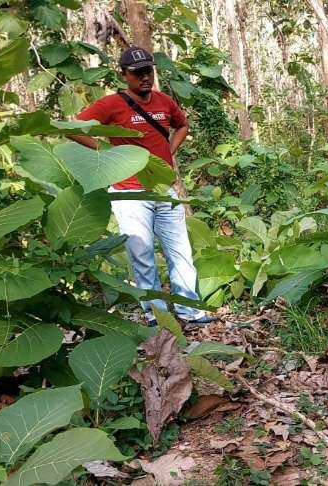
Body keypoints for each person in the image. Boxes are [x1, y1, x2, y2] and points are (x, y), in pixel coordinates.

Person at [67, 46, 213, 326]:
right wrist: (106, 151)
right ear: (124, 76)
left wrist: (170, 150)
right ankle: (156, 314)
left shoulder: (164, 101)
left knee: (180, 249)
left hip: (163, 189)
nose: (145, 77)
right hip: (129, 191)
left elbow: (182, 125)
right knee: (142, 253)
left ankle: (189, 310)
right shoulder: (111, 104)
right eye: (137, 73)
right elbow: (74, 127)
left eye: (148, 71)